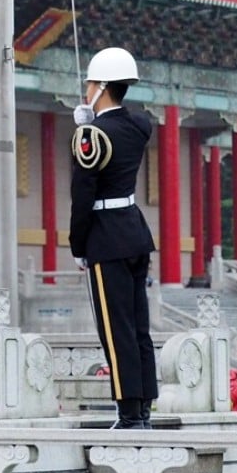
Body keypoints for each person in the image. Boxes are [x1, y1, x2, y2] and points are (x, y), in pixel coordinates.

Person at [69, 48, 158, 430]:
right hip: (135, 232)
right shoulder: (138, 126)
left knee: (114, 328)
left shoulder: (90, 136)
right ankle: (144, 407)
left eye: (90, 83)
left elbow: (83, 197)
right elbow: (130, 124)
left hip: (106, 239)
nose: (86, 89)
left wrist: (78, 245)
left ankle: (127, 412)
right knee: (139, 327)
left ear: (101, 87)